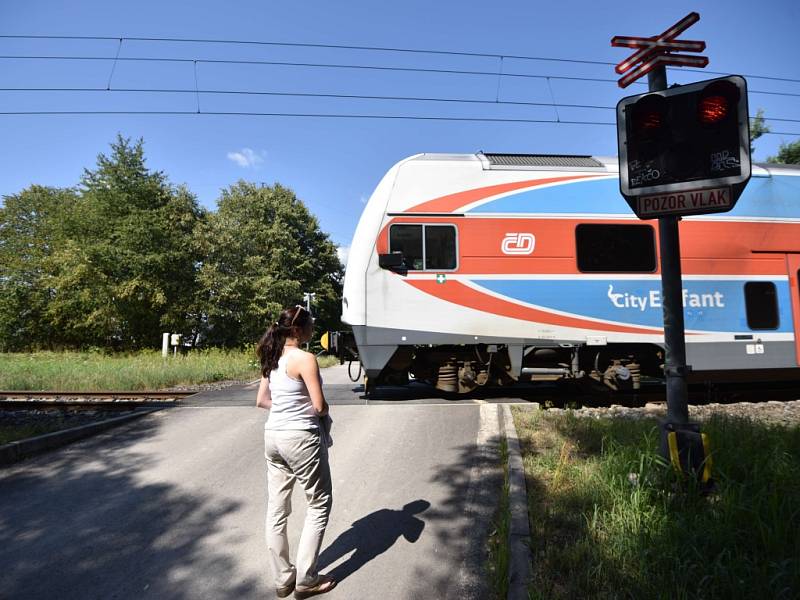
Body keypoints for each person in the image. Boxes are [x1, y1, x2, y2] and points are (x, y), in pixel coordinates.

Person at [256, 305, 336, 599]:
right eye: (311, 322)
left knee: (277, 509)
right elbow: (319, 407)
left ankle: (283, 578)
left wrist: (286, 410)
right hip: (300, 438)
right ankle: (306, 579)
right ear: (298, 330)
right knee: (319, 503)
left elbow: (262, 400)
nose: (314, 326)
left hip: (273, 436)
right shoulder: (305, 359)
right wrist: (317, 413)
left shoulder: (272, 357)